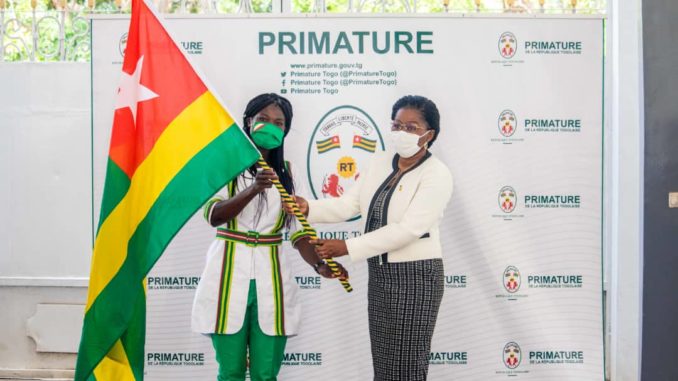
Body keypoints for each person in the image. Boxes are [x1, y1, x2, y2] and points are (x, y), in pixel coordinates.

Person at [289, 95, 453, 381]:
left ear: (430, 134)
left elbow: (408, 229)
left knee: (407, 366)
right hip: (381, 274)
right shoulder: (379, 163)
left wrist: (347, 247)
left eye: (411, 128)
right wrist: (309, 207)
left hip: (416, 277)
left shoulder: (437, 174)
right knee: (386, 364)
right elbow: (349, 204)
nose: (402, 133)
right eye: (397, 125)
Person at [192, 93, 347, 381]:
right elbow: (214, 215)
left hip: (272, 280)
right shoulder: (224, 166)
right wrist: (253, 189)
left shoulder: (288, 173)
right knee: (231, 373)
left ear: (285, 130)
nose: (271, 126)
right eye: (263, 119)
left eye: (279, 122)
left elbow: (299, 233)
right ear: (248, 122)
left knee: (266, 374)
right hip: (225, 275)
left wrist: (320, 265)